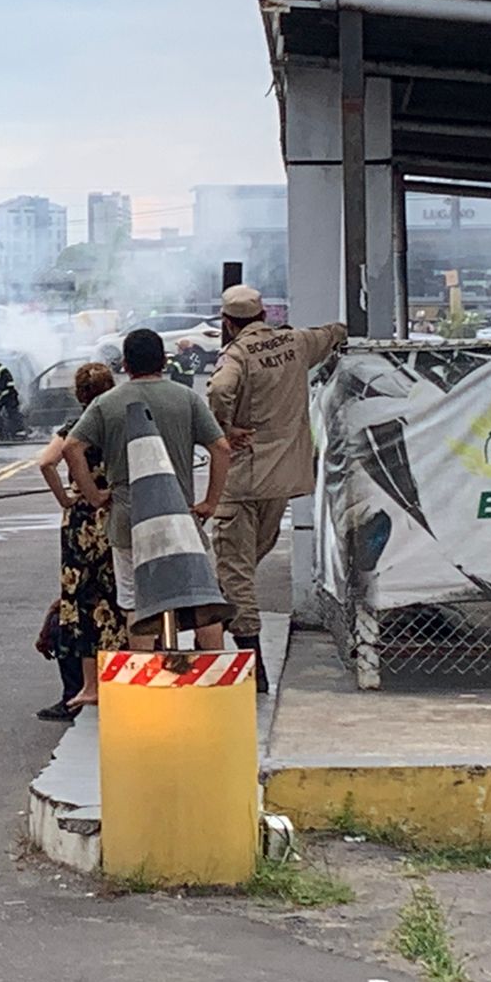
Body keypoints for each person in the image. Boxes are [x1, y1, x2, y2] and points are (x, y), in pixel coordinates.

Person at [207, 284, 346, 692]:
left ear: (228, 322)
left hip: (244, 478)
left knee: (236, 572)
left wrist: (224, 430)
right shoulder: (296, 342)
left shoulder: (236, 355)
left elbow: (218, 390)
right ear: (264, 315)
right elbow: (335, 332)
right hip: (283, 477)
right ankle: (226, 620)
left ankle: (254, 670)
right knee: (244, 564)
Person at [62, 329, 231, 650]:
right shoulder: (187, 399)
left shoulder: (105, 404)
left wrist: (95, 496)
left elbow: (72, 448)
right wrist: (210, 501)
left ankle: (146, 684)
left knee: (136, 604)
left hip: (129, 520)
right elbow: (221, 448)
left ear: (125, 364)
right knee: (202, 600)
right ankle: (214, 677)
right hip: (179, 517)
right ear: (163, 361)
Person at [36, 362, 123, 716]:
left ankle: (81, 687)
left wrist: (67, 498)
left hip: (82, 519)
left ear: (79, 394)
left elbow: (46, 463)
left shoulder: (75, 428)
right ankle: (119, 676)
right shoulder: (119, 424)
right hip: (116, 512)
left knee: (81, 600)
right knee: (118, 596)